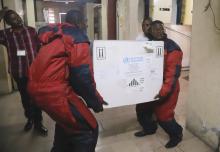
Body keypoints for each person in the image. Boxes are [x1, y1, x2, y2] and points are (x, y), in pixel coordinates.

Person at [28, 10, 106, 152]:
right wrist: (95, 101)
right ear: (80, 22)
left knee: (67, 124)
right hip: (55, 92)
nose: (87, 24)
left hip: (36, 88)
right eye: (85, 21)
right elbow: (82, 76)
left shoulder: (54, 35)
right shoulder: (77, 37)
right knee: (88, 129)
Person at [134, 20, 183, 148]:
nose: (159, 31)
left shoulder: (173, 48)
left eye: (161, 29)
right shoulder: (148, 45)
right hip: (150, 86)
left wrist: (163, 93)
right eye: (155, 29)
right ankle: (149, 129)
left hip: (168, 88)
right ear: (150, 31)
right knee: (142, 109)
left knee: (163, 116)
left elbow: (172, 75)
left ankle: (177, 134)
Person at [0, 8, 48, 135]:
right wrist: (1, 14)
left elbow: (39, 49)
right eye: (13, 18)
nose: (18, 19)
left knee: (36, 98)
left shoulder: (31, 31)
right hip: (19, 72)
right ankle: (30, 119)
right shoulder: (6, 34)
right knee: (25, 98)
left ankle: (39, 123)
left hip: (34, 72)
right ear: (8, 22)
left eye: (17, 16)